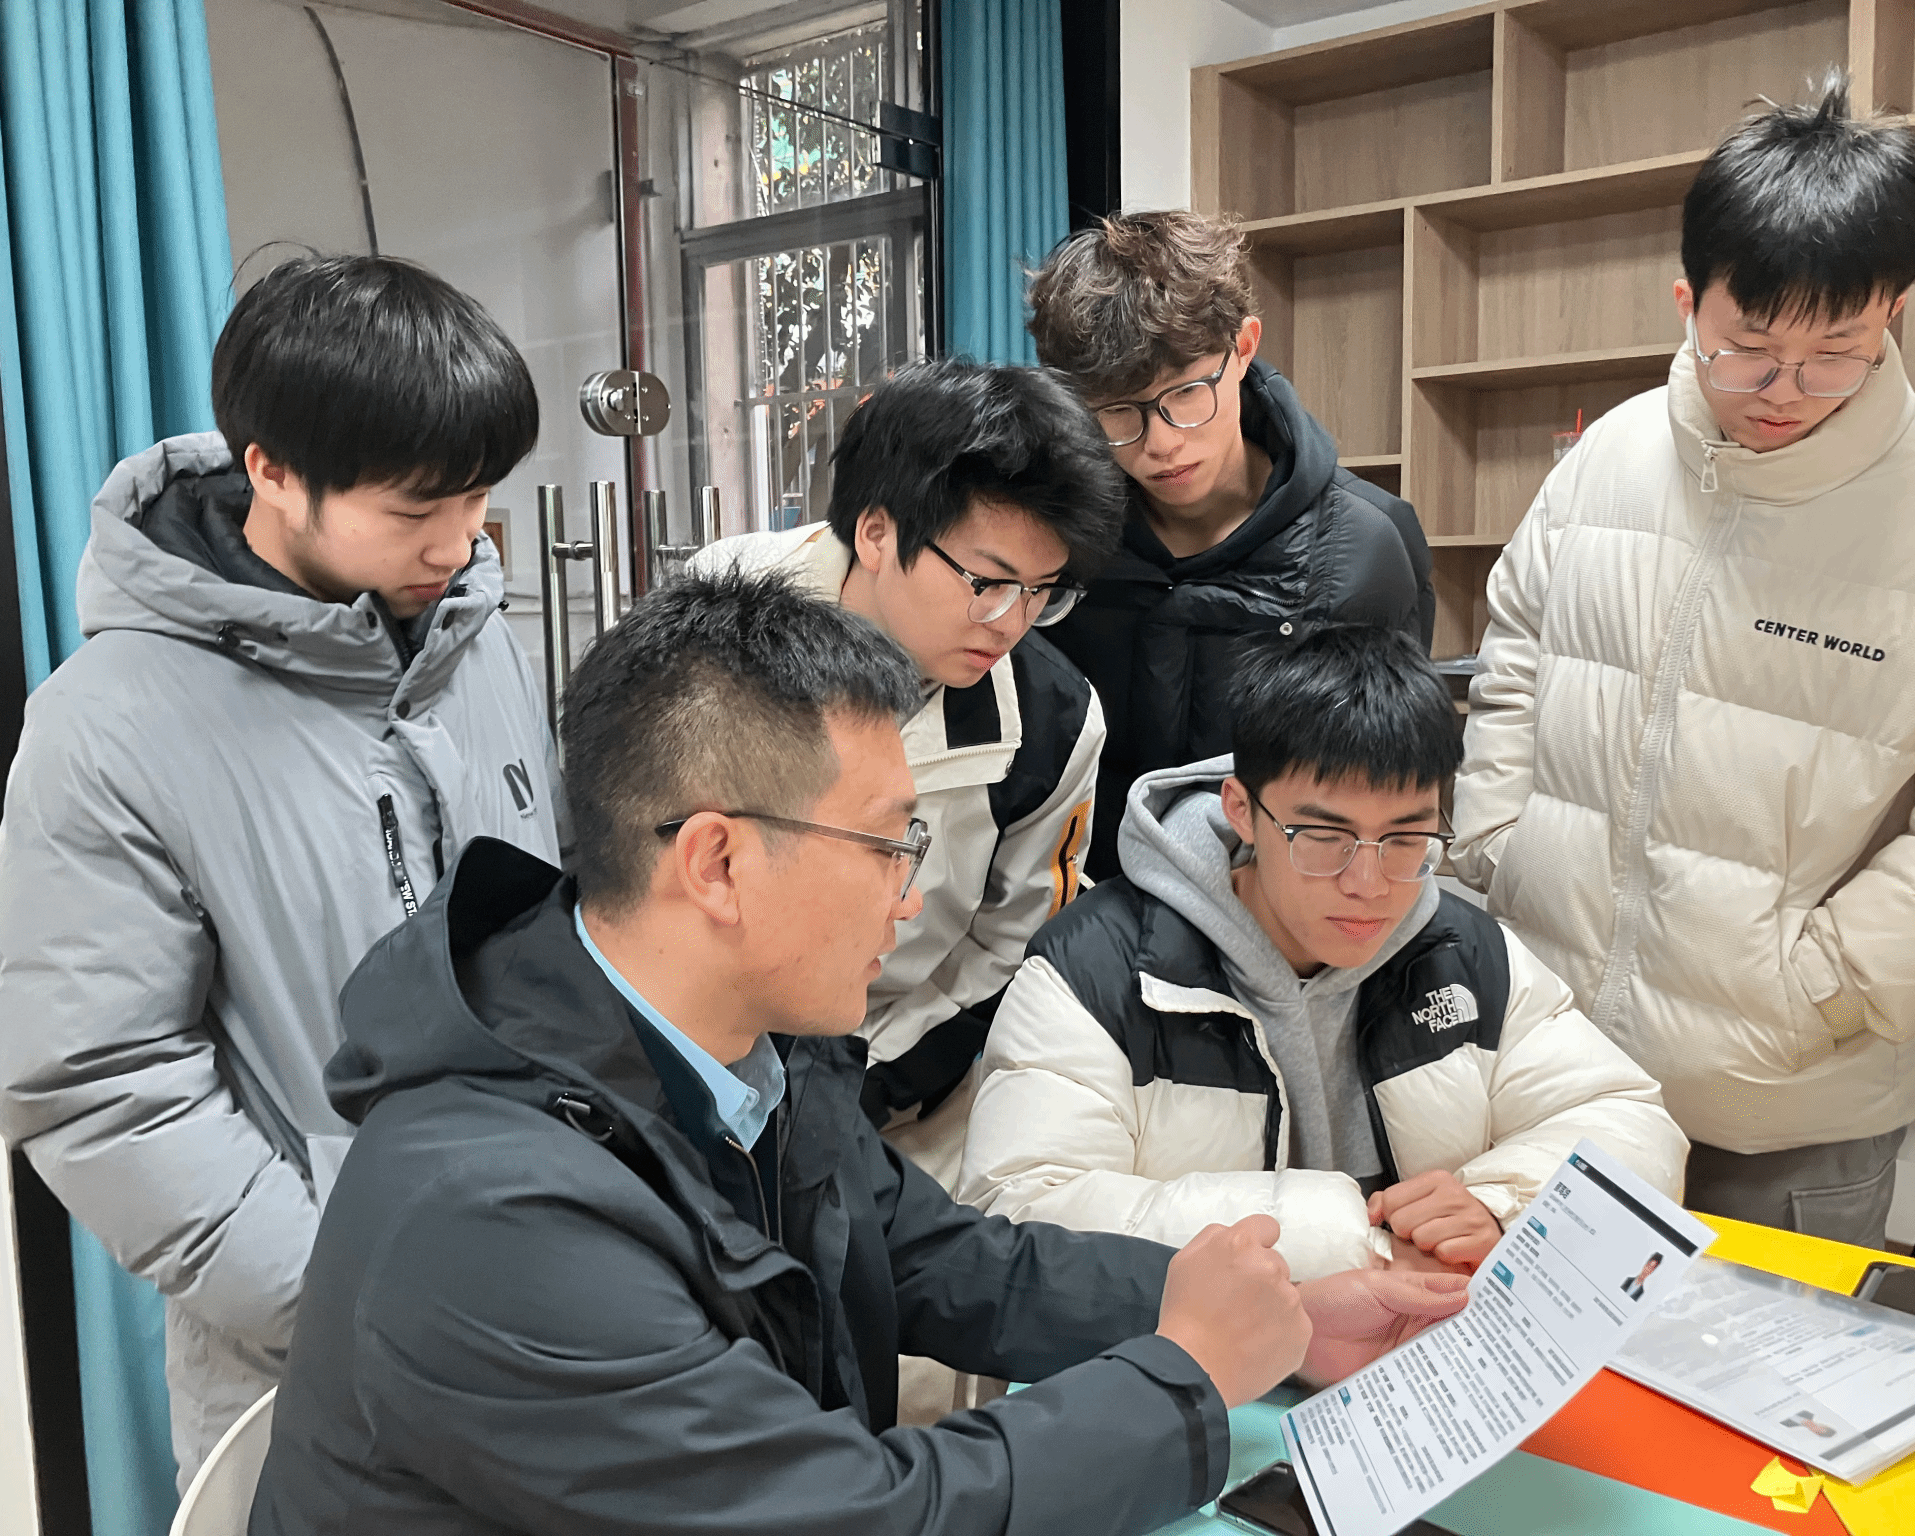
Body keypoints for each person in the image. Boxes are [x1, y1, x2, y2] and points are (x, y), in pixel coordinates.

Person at [248, 570, 1469, 1535]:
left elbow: (949, 1262)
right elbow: (858, 1516)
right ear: (717, 861)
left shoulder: (748, 1061)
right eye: (889, 844)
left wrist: (1273, 1318)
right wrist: (1183, 1375)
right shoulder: (492, 1215)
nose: (912, 893)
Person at [1450, 74, 1915, 1248]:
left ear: (1893, 312)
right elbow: (1514, 650)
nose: (1783, 392)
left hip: (1783, 1116)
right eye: (1748, 350)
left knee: (1765, 1366)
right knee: (1539, 1355)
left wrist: (1824, 989)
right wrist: (1491, 847)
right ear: (1688, 302)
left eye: (1835, 354)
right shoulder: (1608, 457)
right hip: (1553, 1071)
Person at [0, 255, 558, 1481]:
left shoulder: (476, 640)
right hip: (314, 1360)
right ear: (273, 472)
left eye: (478, 496)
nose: (460, 540)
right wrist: (354, 1300)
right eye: (415, 510)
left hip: (554, 1289)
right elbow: (102, 1083)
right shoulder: (105, 726)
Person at [955, 624, 1686, 1281]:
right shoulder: (1097, 971)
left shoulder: (1464, 951)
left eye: (1405, 838)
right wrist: (1349, 1239)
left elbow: (1631, 1121)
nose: (1368, 883)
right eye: (1324, 837)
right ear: (1242, 809)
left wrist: (1500, 1202)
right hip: (1196, 1364)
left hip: (1433, 1352)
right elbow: (1019, 1214)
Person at [689, 358, 1121, 1184]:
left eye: (1043, 591)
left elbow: (1013, 944)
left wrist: (864, 1081)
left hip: (890, 1087)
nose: (1011, 623)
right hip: (692, 1046)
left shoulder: (1054, 721)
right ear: (878, 533)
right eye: (988, 582)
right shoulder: (718, 610)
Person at [1025, 210, 1435, 879]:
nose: (1161, 444)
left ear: (1243, 347)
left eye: (1186, 393)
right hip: (1084, 902)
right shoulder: (1055, 542)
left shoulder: (1368, 547)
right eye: (1116, 412)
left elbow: (1385, 791)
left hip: (1278, 908)